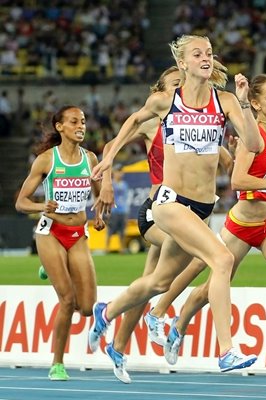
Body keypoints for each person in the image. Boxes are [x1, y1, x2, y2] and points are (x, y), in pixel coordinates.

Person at [88, 34, 262, 373]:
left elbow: (253, 144)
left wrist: (243, 103)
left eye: (209, 52)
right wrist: (109, 159)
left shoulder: (224, 100)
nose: (205, 58)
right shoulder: (166, 101)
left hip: (201, 206)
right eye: (197, 54)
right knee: (222, 259)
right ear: (183, 63)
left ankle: (105, 312)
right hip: (169, 202)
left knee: (159, 282)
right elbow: (133, 121)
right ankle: (227, 350)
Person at [147, 74, 266, 377]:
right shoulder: (252, 137)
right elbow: (238, 181)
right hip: (242, 224)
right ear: (256, 104)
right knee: (210, 286)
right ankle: (179, 325)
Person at [97, 66, 234, 383]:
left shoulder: (198, 122)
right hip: (158, 208)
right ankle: (158, 315)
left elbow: (227, 159)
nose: (183, 88)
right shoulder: (152, 120)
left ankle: (118, 344)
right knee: (206, 256)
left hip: (191, 209)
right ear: (160, 90)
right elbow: (109, 147)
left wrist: (236, 155)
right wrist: (105, 183)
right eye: (176, 84)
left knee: (151, 282)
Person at [14, 106, 108, 380]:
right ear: (60, 127)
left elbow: (99, 194)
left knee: (88, 307)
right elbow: (21, 203)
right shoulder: (46, 160)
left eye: (83, 122)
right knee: (67, 300)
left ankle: (49, 269)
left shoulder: (90, 159)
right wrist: (42, 205)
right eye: (74, 121)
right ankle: (57, 364)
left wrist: (99, 215)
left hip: (78, 232)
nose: (81, 126)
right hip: (51, 232)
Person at [104, 167, 130, 253]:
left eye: (121, 172)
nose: (119, 174)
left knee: (122, 231)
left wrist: (127, 211)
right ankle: (107, 248)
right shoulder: (111, 184)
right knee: (110, 230)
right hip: (114, 211)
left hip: (123, 211)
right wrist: (107, 211)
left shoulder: (125, 185)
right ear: (114, 173)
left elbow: (126, 199)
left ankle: (122, 248)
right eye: (118, 172)